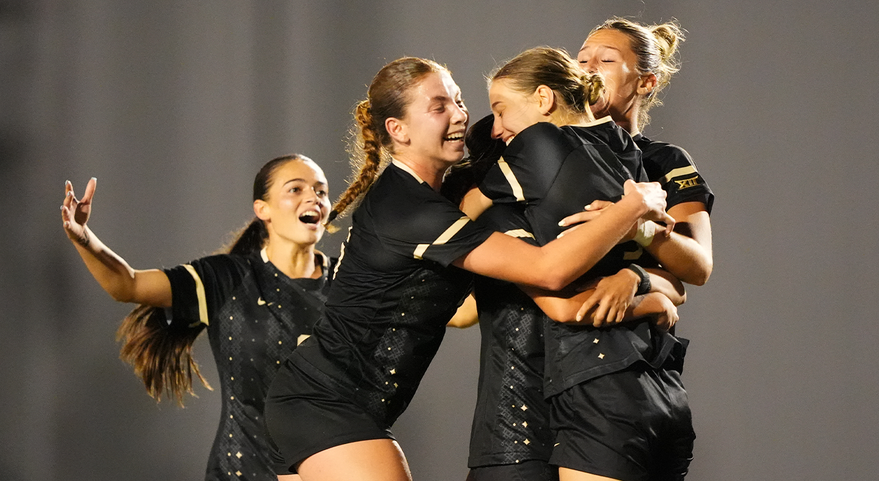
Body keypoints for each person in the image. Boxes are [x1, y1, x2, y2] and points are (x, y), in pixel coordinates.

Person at [263, 57, 672, 481]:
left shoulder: (446, 193)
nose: (460, 114)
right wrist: (633, 206)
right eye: (439, 106)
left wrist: (637, 284)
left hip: (324, 400)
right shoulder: (407, 207)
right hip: (322, 401)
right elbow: (549, 271)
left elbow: (458, 309)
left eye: (458, 101)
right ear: (397, 130)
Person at [468, 46, 701, 481]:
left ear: (542, 100)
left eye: (500, 112)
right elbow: (681, 285)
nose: (501, 131)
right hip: (662, 387)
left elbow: (563, 299)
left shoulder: (535, 150)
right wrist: (643, 278)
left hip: (586, 397)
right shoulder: (627, 156)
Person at [61, 154, 335, 481]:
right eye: (296, 189)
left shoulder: (351, 281)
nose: (313, 198)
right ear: (263, 209)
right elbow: (127, 284)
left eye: (321, 191)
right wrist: (83, 237)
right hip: (242, 471)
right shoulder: (225, 279)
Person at [572, 17, 714, 287]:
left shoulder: (665, 161)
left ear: (646, 83)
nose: (588, 69)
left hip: (629, 325)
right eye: (581, 60)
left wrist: (637, 229)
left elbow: (699, 268)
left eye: (607, 61)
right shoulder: (549, 150)